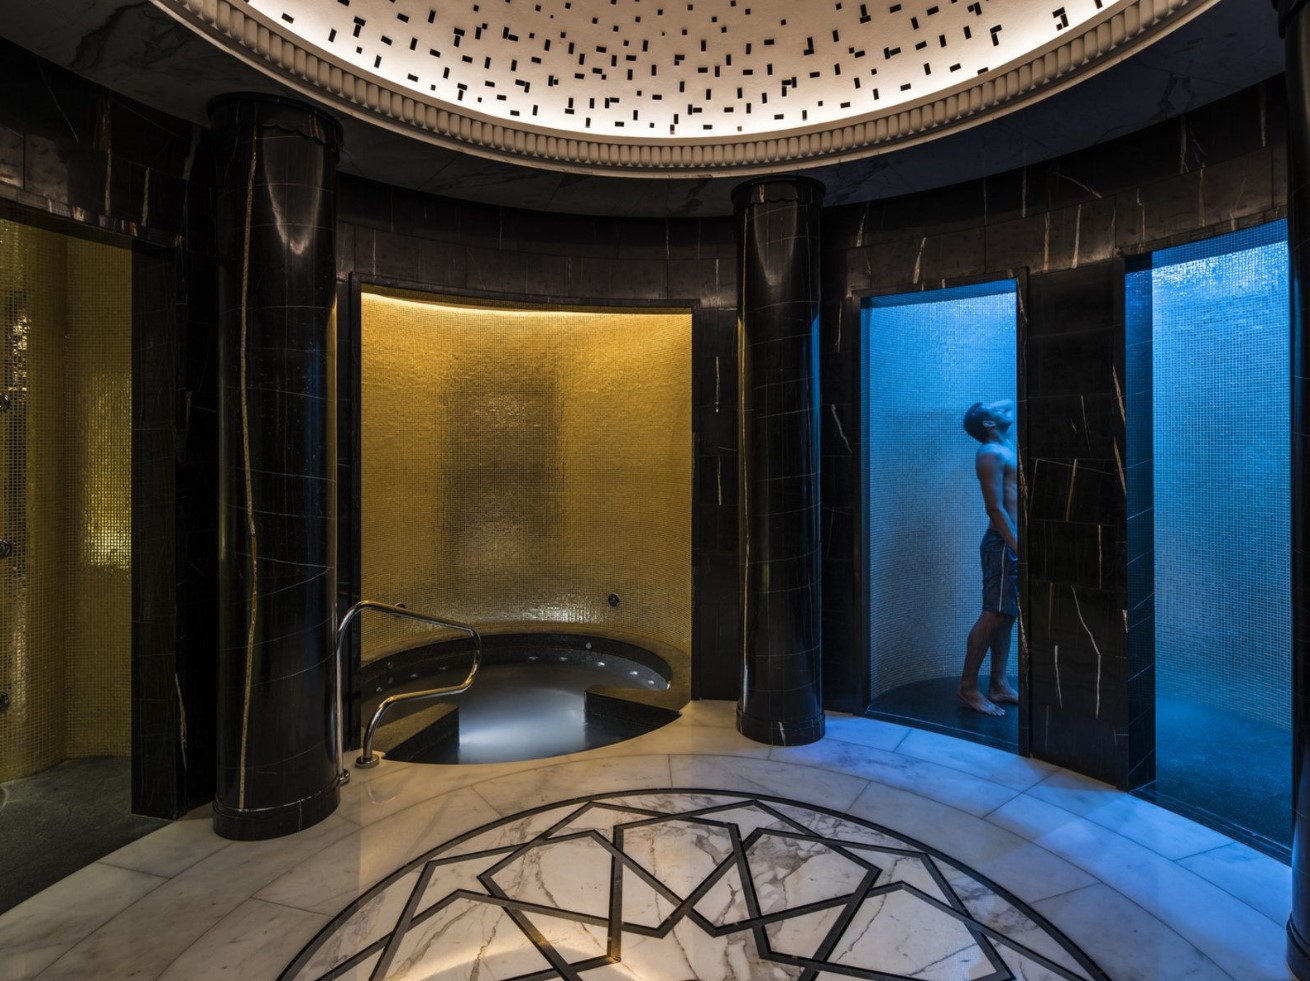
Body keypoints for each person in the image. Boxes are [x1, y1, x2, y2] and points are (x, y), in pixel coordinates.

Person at [959, 399, 1019, 717]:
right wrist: (1017, 547)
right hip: (1002, 544)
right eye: (995, 411)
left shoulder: (1005, 445)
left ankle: (999, 684)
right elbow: (994, 508)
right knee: (993, 614)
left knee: (1007, 615)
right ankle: (968, 687)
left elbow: (1010, 402)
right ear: (988, 424)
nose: (1005, 408)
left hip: (1011, 543)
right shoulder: (990, 453)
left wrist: (991, 413)